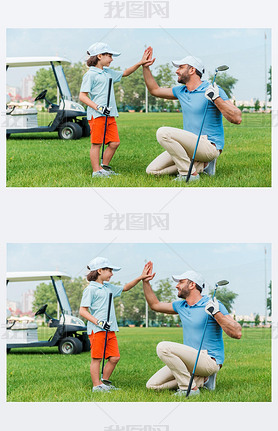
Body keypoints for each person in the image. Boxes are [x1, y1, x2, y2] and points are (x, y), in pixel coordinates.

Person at [142, 49, 242, 182]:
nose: (177, 71)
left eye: (181, 67)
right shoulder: (181, 91)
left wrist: (215, 97)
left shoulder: (212, 89)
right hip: (190, 146)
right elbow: (155, 90)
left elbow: (237, 118)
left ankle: (188, 174)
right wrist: (145, 67)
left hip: (209, 146)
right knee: (152, 171)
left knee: (163, 133)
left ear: (192, 70)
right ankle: (200, 166)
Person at [142, 264, 242, 397]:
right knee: (152, 385)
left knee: (163, 347)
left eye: (181, 282)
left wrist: (216, 312)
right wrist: (146, 282)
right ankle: (199, 381)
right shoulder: (181, 306)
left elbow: (237, 333)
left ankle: (189, 389)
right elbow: (155, 305)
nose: (177, 286)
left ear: (192, 285)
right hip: (190, 360)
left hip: (209, 360)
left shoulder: (212, 304)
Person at [79, 256, 152, 392]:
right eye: (110, 271)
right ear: (100, 271)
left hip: (110, 329)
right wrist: (98, 322)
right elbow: (83, 311)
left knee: (114, 357)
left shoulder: (108, 287)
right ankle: (97, 386)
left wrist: (141, 277)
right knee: (97, 358)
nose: (112, 274)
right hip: (98, 329)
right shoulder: (90, 289)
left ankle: (104, 382)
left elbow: (125, 288)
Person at [79, 42, 152, 178]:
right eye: (110, 56)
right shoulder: (90, 75)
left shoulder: (108, 72)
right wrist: (98, 107)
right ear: (100, 56)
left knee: (114, 142)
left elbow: (125, 73)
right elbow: (82, 96)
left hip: (110, 114)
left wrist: (140, 63)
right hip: (97, 114)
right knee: (97, 143)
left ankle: (104, 167)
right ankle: (96, 171)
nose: (112, 59)